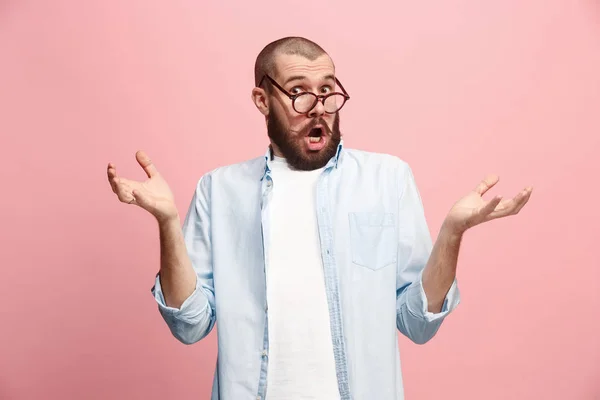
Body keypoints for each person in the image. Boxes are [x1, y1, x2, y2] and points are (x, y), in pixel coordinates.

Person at [107, 37, 532, 400]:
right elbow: (191, 323)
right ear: (262, 100)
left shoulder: (388, 179)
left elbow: (417, 323)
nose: (319, 107)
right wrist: (167, 222)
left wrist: (452, 234)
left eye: (328, 90)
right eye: (298, 92)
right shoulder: (219, 190)